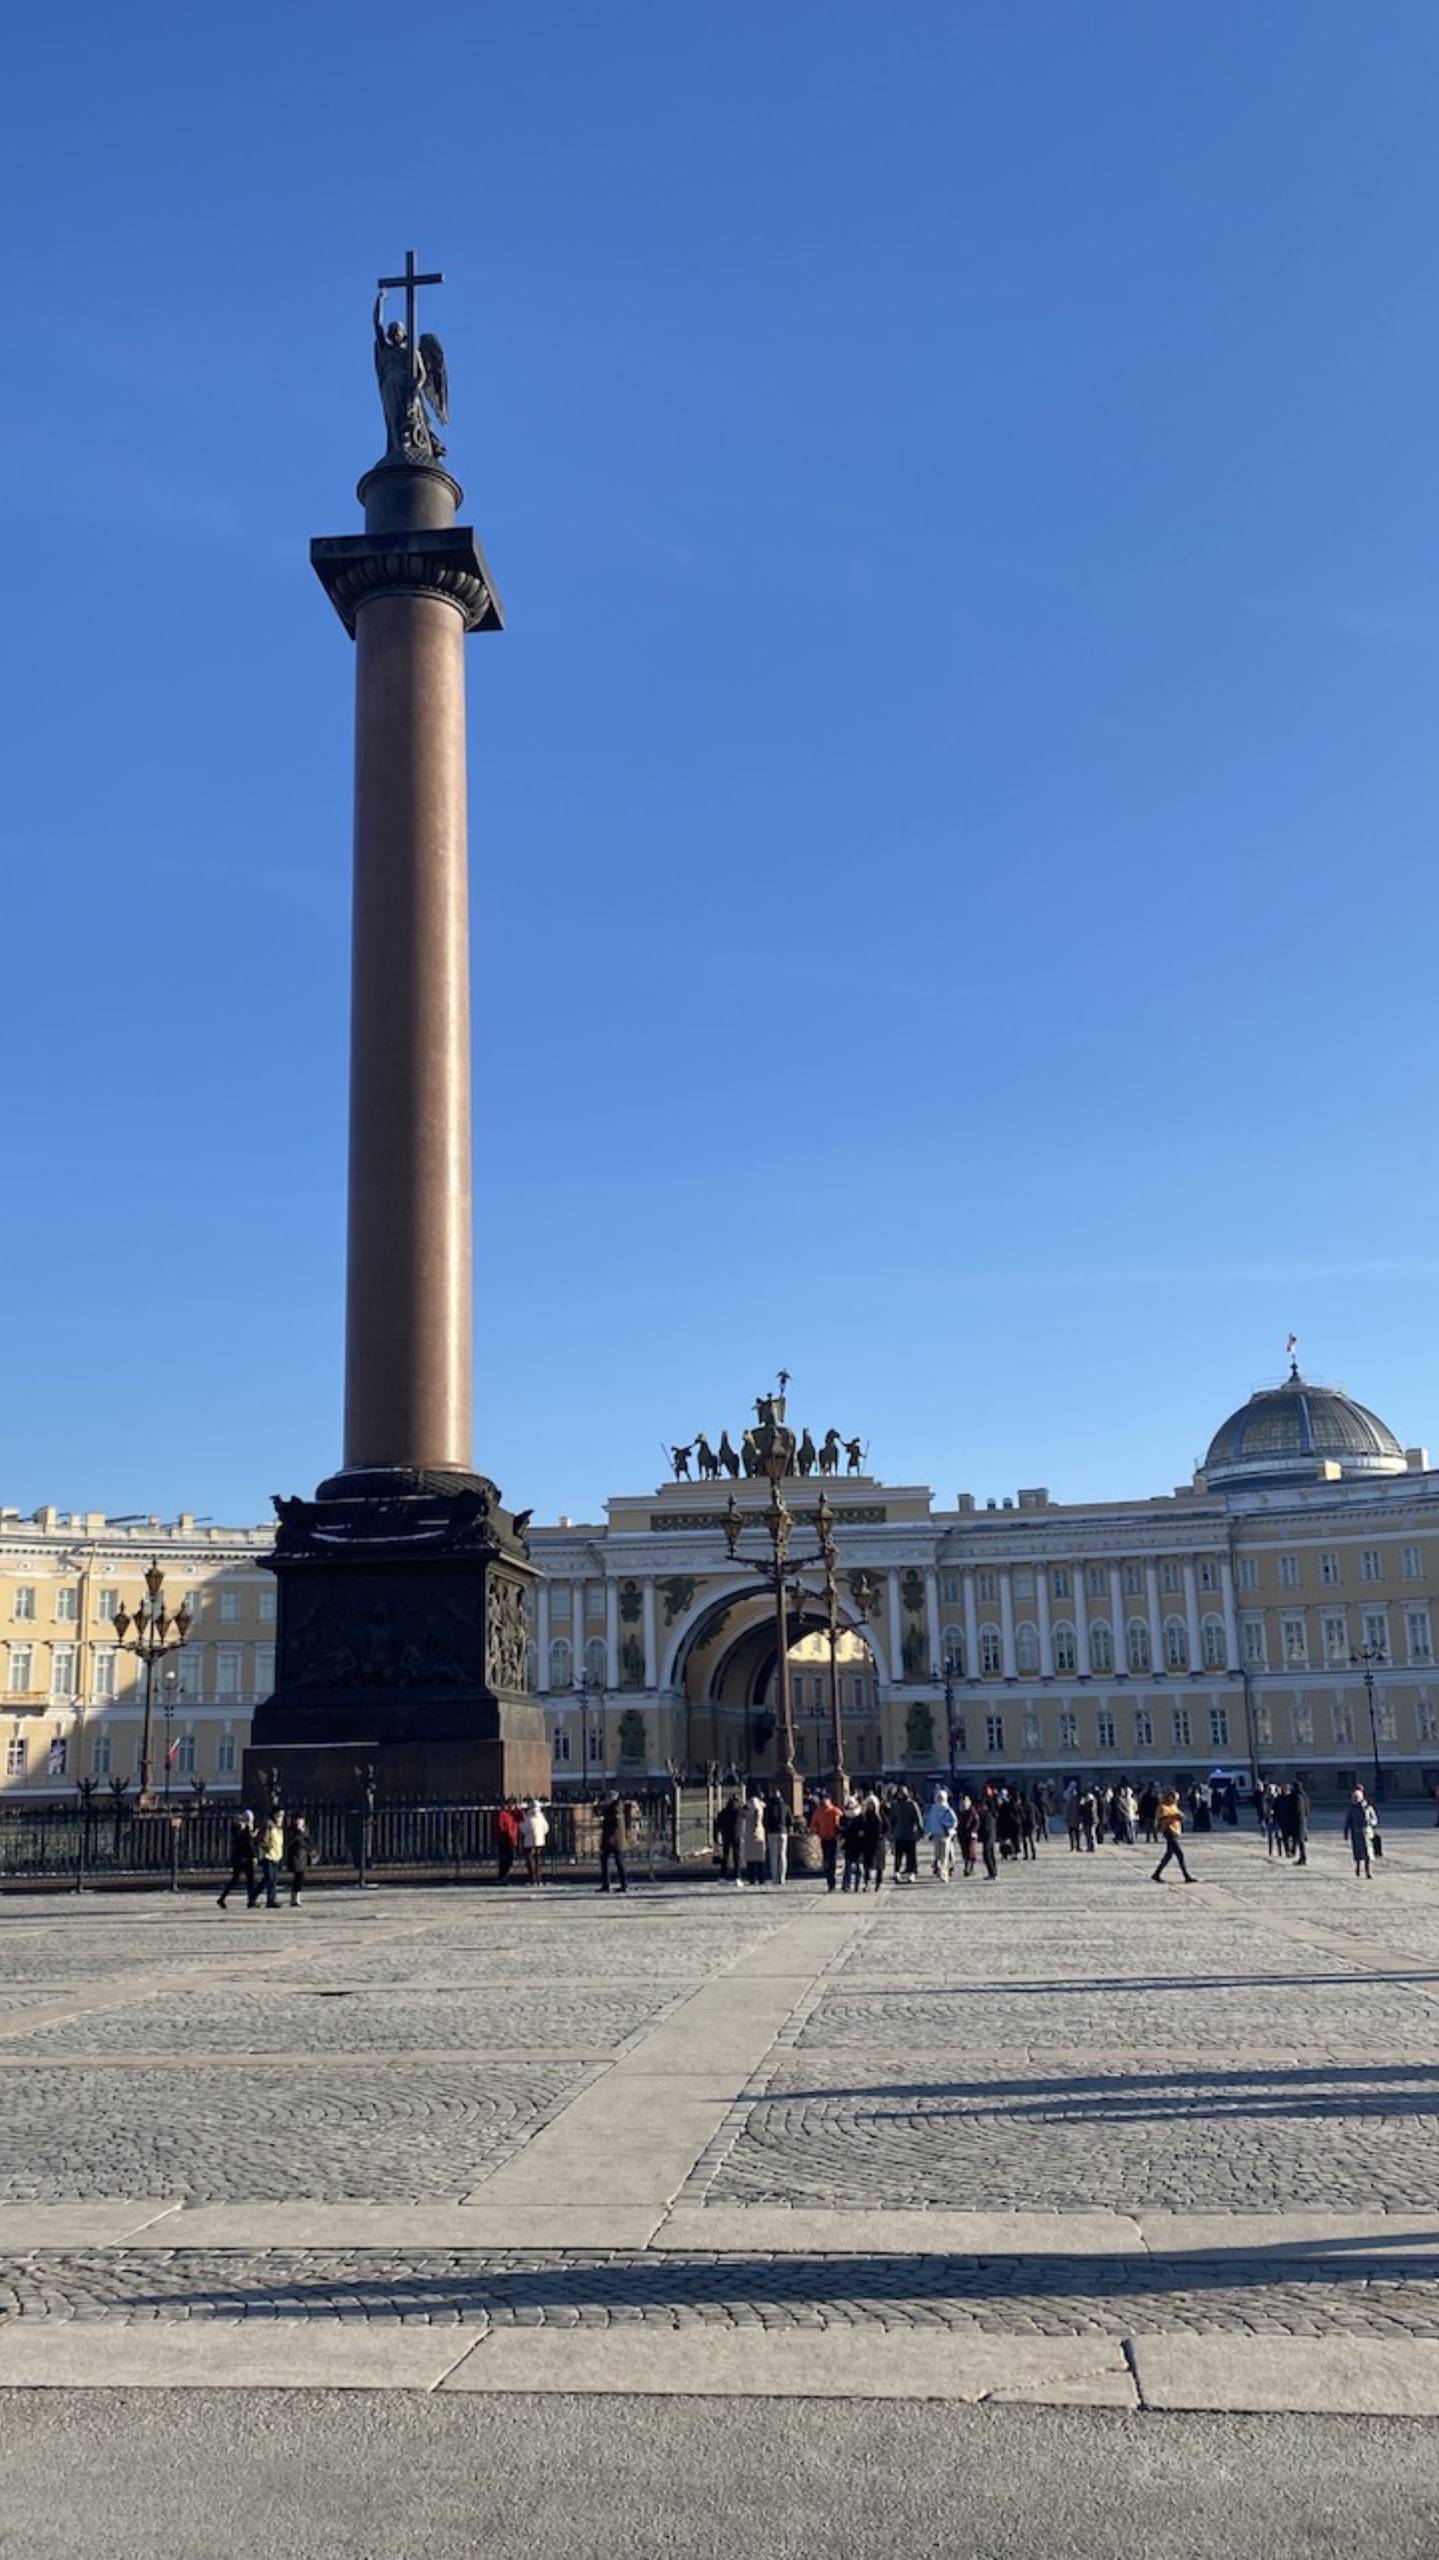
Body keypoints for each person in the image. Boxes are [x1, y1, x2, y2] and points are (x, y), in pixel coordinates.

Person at [218, 1808, 258, 1910]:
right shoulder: (245, 1828)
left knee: (236, 1879)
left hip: (238, 1857)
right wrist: (253, 1856)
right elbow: (248, 1843)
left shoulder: (238, 1827)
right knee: (250, 1879)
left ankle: (223, 1898)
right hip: (245, 1857)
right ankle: (251, 1901)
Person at [1152, 1787, 1194, 1884]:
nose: (1175, 1799)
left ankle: (1156, 1874)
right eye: (1173, 1797)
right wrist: (1173, 1817)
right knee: (1180, 1854)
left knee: (1168, 1855)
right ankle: (1186, 1875)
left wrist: (1181, 1817)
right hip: (1168, 1831)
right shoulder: (1162, 1806)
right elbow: (1161, 1819)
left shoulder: (1174, 1806)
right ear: (1168, 1797)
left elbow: (1180, 1815)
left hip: (1175, 1831)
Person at [1343, 1785, 1380, 1879]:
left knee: (1368, 1853)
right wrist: (1346, 1832)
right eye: (1354, 1799)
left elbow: (1375, 1819)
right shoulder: (1351, 1809)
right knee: (1358, 1854)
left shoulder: (1368, 1808)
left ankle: (1368, 1871)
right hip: (1356, 1834)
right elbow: (1348, 1821)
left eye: (1356, 1798)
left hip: (1367, 1833)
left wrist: (1370, 1822)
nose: (1355, 1800)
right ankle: (1358, 1868)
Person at [809, 1791, 843, 1892]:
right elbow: (814, 1824)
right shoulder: (818, 1812)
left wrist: (840, 1832)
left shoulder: (835, 1811)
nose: (824, 1801)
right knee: (826, 1861)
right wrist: (817, 1832)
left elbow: (842, 1821)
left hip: (833, 1839)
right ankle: (830, 1882)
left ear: (829, 1800)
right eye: (823, 1799)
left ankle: (832, 1882)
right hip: (824, 1839)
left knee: (831, 1860)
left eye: (826, 1799)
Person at [252, 1807, 285, 1909]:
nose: (281, 1818)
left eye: (282, 1816)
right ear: (274, 1815)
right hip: (268, 1856)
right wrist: (267, 1848)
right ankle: (271, 1900)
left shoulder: (278, 1827)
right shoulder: (269, 1825)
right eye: (279, 1815)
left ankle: (253, 1897)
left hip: (276, 1855)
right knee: (270, 1879)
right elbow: (263, 1840)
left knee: (269, 1879)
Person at [890, 1786, 922, 1882]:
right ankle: (897, 1872)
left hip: (910, 1834)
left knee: (911, 1856)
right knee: (898, 1856)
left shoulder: (911, 1804)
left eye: (902, 1793)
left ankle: (911, 1873)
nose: (900, 1795)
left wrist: (920, 1830)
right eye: (899, 1793)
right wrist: (891, 1832)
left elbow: (918, 1818)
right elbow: (892, 1819)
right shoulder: (895, 1805)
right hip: (899, 1834)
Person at [925, 1787, 958, 1881]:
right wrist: (928, 1831)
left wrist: (947, 1825)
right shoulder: (933, 1808)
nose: (939, 1799)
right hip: (935, 1835)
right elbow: (930, 1821)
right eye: (938, 1797)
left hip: (945, 1835)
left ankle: (944, 1874)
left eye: (941, 1797)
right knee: (937, 1855)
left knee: (944, 1856)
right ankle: (939, 1870)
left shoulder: (948, 1809)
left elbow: (955, 1822)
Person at [598, 1793, 628, 1893]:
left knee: (618, 1862)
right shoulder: (614, 1807)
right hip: (613, 1840)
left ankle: (622, 1885)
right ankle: (609, 1884)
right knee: (611, 1861)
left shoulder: (616, 1808)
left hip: (614, 1840)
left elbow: (616, 1823)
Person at [284, 1814, 316, 1908]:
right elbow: (290, 1842)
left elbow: (309, 1844)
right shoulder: (292, 1831)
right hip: (295, 1857)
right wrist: (298, 1833)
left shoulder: (306, 1831)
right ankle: (294, 1898)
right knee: (297, 1877)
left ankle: (296, 1897)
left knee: (300, 1877)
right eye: (297, 1820)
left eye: (300, 1820)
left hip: (303, 1857)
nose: (298, 1822)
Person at [763, 1787, 790, 1886]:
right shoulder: (785, 1807)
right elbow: (790, 1821)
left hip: (772, 1832)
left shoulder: (768, 1807)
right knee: (782, 1855)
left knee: (773, 1856)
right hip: (783, 1831)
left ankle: (774, 1878)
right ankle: (782, 1878)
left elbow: (764, 1821)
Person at [713, 1791, 742, 1880]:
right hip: (736, 1834)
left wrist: (715, 1838)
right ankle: (737, 1875)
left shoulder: (722, 1813)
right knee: (737, 1856)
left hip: (725, 1835)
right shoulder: (738, 1812)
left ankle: (723, 1875)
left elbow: (716, 1826)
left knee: (725, 1855)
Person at [740, 1792, 766, 1887]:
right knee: (759, 1859)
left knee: (750, 1859)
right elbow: (758, 1816)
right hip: (758, 1833)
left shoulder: (748, 1806)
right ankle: (761, 1878)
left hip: (749, 1834)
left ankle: (751, 1878)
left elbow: (743, 1814)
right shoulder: (759, 1806)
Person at [520, 1797, 548, 1885]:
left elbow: (523, 1828)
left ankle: (533, 1878)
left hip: (529, 1842)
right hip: (540, 1842)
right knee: (538, 1860)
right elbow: (546, 1828)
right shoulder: (541, 1817)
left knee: (530, 1860)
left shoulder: (529, 1817)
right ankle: (539, 1878)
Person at [495, 1798, 521, 1886]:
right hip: (504, 1839)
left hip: (512, 1839)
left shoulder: (514, 1814)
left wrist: (519, 1810)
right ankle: (503, 1877)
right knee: (504, 1860)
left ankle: (504, 1877)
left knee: (510, 1859)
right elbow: (500, 1826)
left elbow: (522, 1818)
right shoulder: (503, 1814)